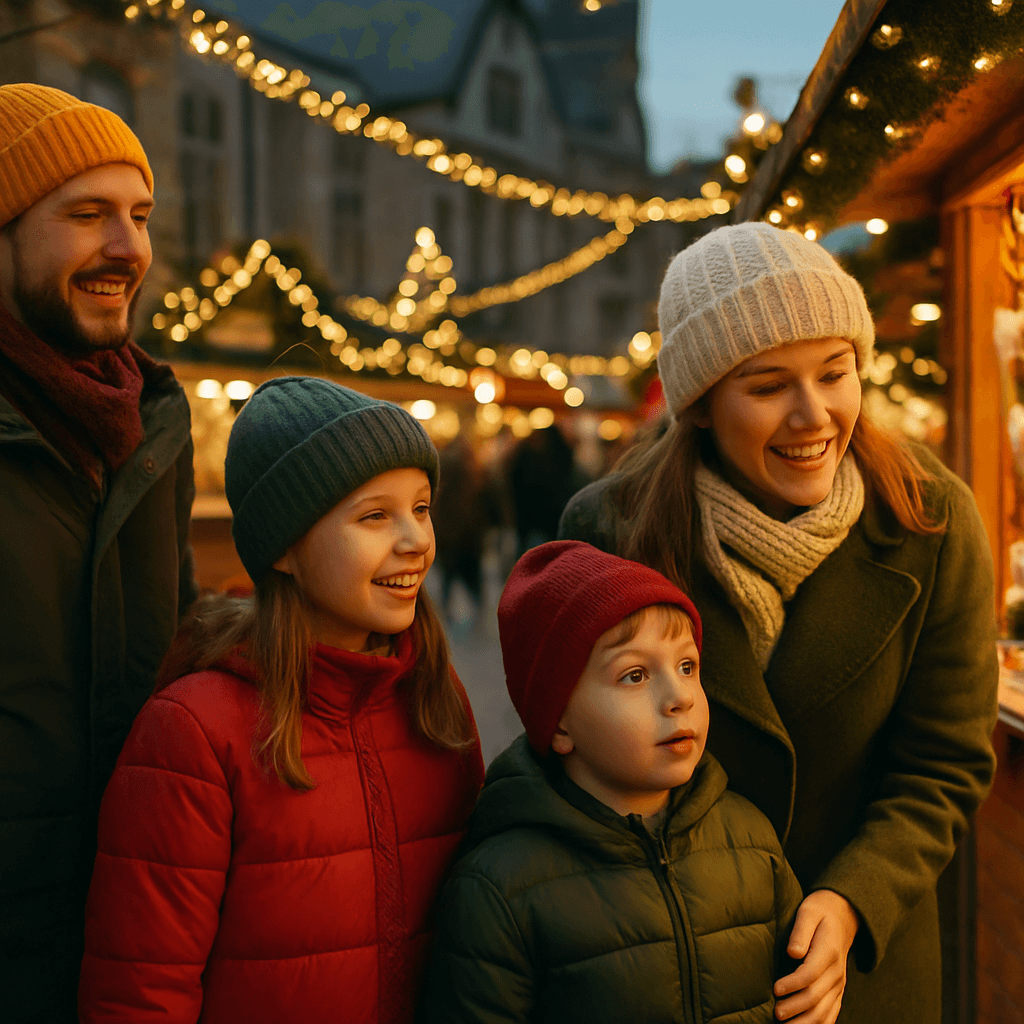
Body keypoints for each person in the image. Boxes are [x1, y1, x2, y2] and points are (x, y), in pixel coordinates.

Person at [558, 222, 999, 1024]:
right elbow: (575, 768)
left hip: (865, 976)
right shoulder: (610, 531)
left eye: (835, 373)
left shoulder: (932, 521)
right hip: (671, 967)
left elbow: (944, 762)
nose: (813, 415)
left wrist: (855, 896)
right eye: (767, 387)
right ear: (699, 404)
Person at [78, 378, 485, 1023]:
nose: (416, 540)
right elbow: (140, 993)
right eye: (375, 516)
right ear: (286, 549)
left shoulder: (435, 701)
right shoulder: (193, 732)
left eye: (422, 508)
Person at [419, 540, 803, 1023]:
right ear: (559, 723)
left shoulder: (751, 842)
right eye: (635, 675)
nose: (679, 696)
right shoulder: (498, 891)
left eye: (687, 666)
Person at [0, 83, 197, 1021]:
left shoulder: (153, 424)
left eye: (140, 215)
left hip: (128, 938)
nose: (128, 247)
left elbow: (178, 651)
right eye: (86, 215)